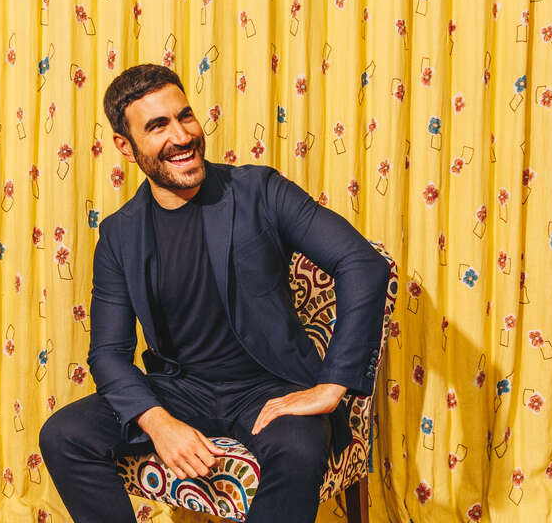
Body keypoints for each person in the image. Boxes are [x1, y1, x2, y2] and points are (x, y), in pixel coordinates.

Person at [39, 64, 390, 523]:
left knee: (299, 449)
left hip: (271, 387)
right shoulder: (119, 235)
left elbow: (362, 263)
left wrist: (331, 386)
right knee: (63, 435)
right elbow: (107, 353)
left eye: (184, 116)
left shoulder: (260, 190)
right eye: (158, 125)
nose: (182, 135)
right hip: (180, 391)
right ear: (126, 146)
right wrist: (157, 421)